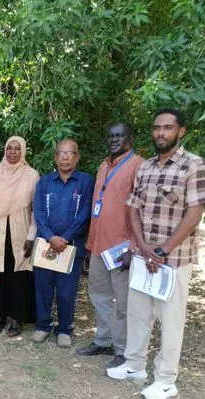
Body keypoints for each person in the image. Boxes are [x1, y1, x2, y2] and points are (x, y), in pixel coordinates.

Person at [107, 108, 205, 399]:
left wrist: (163, 249)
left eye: (167, 128)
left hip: (174, 260)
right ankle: (134, 365)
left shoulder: (194, 165)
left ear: (181, 132)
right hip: (144, 256)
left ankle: (166, 379)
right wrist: (142, 246)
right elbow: (133, 208)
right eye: (156, 128)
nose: (160, 133)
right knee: (139, 313)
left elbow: (195, 213)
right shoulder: (147, 167)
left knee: (171, 319)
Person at [76, 124, 144, 367]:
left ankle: (123, 349)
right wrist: (89, 244)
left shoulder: (138, 166)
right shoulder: (104, 165)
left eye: (120, 136)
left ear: (130, 138)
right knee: (99, 296)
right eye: (111, 136)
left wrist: (134, 246)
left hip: (122, 248)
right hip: (98, 245)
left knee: (123, 302)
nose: (114, 140)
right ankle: (103, 340)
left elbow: (143, 210)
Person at [32, 140, 94, 348]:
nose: (65, 157)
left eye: (70, 153)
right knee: (43, 288)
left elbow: (85, 214)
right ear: (55, 157)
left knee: (67, 291)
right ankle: (43, 325)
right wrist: (50, 237)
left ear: (77, 157)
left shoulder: (85, 182)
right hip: (46, 245)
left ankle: (64, 328)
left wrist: (65, 238)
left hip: (71, 245)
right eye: (61, 153)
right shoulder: (45, 182)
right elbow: (38, 213)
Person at [0, 136, 39, 336]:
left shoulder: (31, 175)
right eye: (9, 148)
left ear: (23, 151)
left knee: (18, 277)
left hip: (20, 234)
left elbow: (35, 210)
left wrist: (31, 236)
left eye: (17, 149)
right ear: (4, 150)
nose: (12, 152)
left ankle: (16, 319)